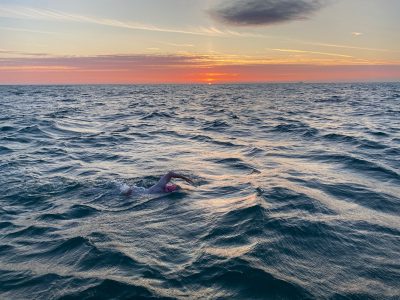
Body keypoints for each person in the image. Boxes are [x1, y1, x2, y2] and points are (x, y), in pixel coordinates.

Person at [121, 171, 193, 196]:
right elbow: (170, 173)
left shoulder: (163, 192)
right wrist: (185, 178)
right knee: (130, 189)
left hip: (141, 193)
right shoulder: (160, 186)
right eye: (172, 186)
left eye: (172, 187)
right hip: (138, 192)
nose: (171, 186)